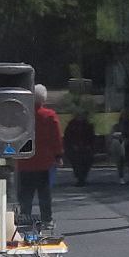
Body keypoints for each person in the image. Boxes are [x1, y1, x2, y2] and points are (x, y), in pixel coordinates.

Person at [16, 84, 63, 226]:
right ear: (44, 98)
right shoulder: (49, 115)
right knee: (44, 193)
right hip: (44, 161)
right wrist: (58, 155)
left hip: (25, 160)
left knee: (25, 194)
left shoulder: (23, 114)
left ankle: (25, 219)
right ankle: (47, 219)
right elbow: (56, 137)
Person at [62, 110, 95, 186]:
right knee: (76, 162)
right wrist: (72, 145)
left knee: (87, 161)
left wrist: (89, 146)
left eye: (82, 115)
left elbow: (92, 137)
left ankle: (83, 177)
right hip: (74, 149)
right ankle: (80, 178)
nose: (80, 117)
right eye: (79, 115)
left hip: (86, 148)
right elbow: (67, 138)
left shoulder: (88, 125)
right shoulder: (71, 125)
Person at [110, 108, 129, 184]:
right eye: (124, 114)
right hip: (119, 146)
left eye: (127, 115)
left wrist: (127, 141)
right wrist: (120, 139)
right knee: (120, 159)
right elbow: (113, 135)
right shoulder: (116, 126)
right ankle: (121, 177)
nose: (125, 116)